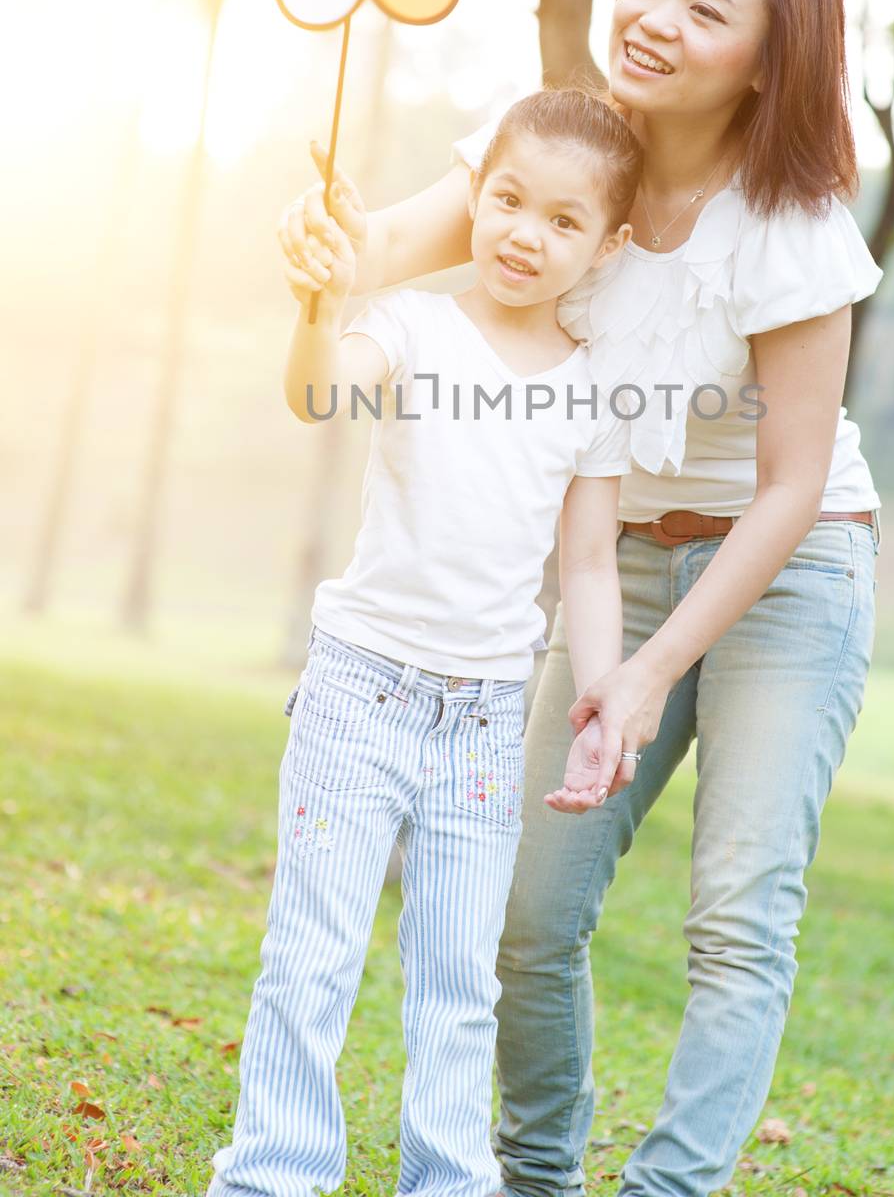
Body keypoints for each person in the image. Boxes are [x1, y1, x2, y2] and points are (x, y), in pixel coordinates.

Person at [280, 0, 883, 1196]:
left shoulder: (793, 224)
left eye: (704, 9)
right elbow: (385, 248)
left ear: (771, 62)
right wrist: (327, 244)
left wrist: (653, 666)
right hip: (617, 552)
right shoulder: (560, 143)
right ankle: (536, 1181)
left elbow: (786, 487)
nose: (654, 19)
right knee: (528, 917)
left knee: (734, 923)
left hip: (790, 569)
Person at [207, 88, 644, 1197]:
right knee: (312, 955)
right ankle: (272, 1174)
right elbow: (316, 392)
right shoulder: (407, 324)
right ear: (475, 194)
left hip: (487, 717)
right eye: (506, 200)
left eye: (562, 219)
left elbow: (587, 563)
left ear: (609, 242)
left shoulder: (598, 387)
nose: (523, 234)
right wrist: (318, 301)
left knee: (459, 977)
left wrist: (601, 691)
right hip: (362, 685)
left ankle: (450, 1179)